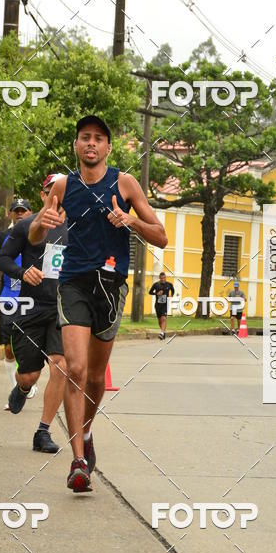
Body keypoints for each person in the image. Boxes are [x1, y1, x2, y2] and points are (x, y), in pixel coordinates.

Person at [29, 114, 168, 493]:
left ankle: (86, 432)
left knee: (94, 377)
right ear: (76, 146)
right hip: (73, 284)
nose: (91, 144)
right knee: (74, 368)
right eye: (84, 138)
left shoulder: (124, 183)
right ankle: (77, 462)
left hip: (110, 287)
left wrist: (130, 221)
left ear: (108, 147)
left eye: (98, 139)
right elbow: (36, 233)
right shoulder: (62, 185)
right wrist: (44, 221)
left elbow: (162, 236)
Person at [0, 175, 67, 454]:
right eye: (53, 191)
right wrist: (23, 271)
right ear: (43, 195)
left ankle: (43, 432)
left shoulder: (74, 226)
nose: (59, 196)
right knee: (29, 375)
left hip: (62, 308)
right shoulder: (26, 225)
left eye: (64, 191)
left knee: (60, 365)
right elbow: (3, 259)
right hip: (31, 307)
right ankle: (22, 389)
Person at [0, 198, 37, 410]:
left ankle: (26, 380)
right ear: (10, 214)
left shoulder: (39, 235)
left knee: (30, 348)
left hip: (33, 299)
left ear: (32, 213)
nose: (20, 214)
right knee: (9, 349)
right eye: (16, 211)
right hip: (8, 298)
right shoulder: (1, 238)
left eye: (24, 211)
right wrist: (1, 265)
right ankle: (17, 390)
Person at [149, 272, 175, 339]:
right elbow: (150, 292)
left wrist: (171, 295)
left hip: (165, 304)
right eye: (161, 278)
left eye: (164, 278)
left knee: (163, 318)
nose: (163, 279)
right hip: (158, 305)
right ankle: (163, 332)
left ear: (165, 278)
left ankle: (161, 333)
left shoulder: (169, 284)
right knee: (159, 321)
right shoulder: (156, 285)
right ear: (159, 278)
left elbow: (172, 290)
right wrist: (157, 293)